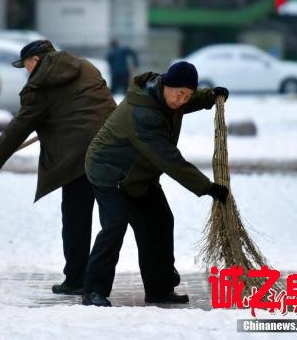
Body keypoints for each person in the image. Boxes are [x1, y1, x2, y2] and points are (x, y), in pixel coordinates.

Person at [82, 61, 230, 307]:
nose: (181, 100)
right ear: (166, 85)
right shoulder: (143, 112)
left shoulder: (165, 96)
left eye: (188, 95)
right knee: (115, 225)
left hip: (140, 173)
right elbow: (167, 158)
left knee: (160, 221)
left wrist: (208, 97)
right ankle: (93, 290)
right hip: (110, 171)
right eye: (179, 93)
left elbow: (183, 104)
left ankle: (159, 289)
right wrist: (207, 187)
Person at [0, 40, 116, 295]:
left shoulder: (39, 85)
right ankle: (150, 279)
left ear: (37, 60)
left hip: (77, 158)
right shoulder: (85, 66)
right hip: (112, 148)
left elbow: (20, 125)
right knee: (115, 219)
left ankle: (76, 279)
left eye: (26, 65)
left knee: (76, 218)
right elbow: (100, 104)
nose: (26, 71)